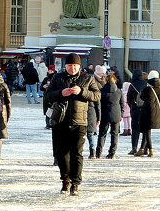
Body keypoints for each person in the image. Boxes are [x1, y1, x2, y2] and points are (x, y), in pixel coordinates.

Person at [43, 52, 99, 197]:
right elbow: (48, 95)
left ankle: (75, 183)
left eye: (75, 66)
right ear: (65, 66)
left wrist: (82, 91)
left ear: (79, 66)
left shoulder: (87, 78)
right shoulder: (58, 77)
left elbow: (97, 96)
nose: (72, 69)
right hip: (60, 121)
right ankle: (65, 180)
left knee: (77, 154)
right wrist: (62, 93)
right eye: (69, 66)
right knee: (61, 154)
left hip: (79, 121)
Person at [96, 71, 123, 158]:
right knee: (114, 134)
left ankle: (98, 152)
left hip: (104, 114)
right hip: (116, 114)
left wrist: (98, 116)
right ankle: (112, 153)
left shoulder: (102, 91)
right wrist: (121, 114)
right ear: (115, 81)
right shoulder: (118, 91)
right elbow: (122, 104)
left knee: (102, 134)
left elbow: (99, 104)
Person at [84, 66, 103, 159]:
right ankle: (93, 152)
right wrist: (99, 118)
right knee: (91, 134)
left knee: (82, 134)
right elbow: (98, 106)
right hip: (92, 113)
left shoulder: (82, 91)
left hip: (84, 113)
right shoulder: (94, 93)